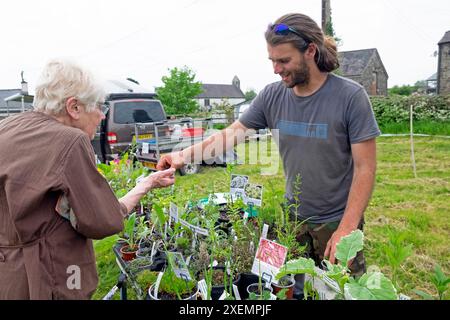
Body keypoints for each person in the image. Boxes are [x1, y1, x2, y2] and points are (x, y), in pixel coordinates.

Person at [157, 13, 380, 292]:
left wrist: (346, 228)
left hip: (336, 219)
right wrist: (182, 156)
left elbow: (365, 168)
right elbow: (229, 135)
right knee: (290, 290)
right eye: (272, 60)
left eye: (284, 60)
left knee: (343, 291)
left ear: (310, 51)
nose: (276, 68)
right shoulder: (271, 96)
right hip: (293, 218)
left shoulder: (350, 97)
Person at [0, 59, 175, 299]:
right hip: (48, 278)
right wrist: (146, 185)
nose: (102, 117)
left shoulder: (7, 128)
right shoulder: (69, 141)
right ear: (74, 107)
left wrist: (146, 182)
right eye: (99, 107)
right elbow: (102, 221)